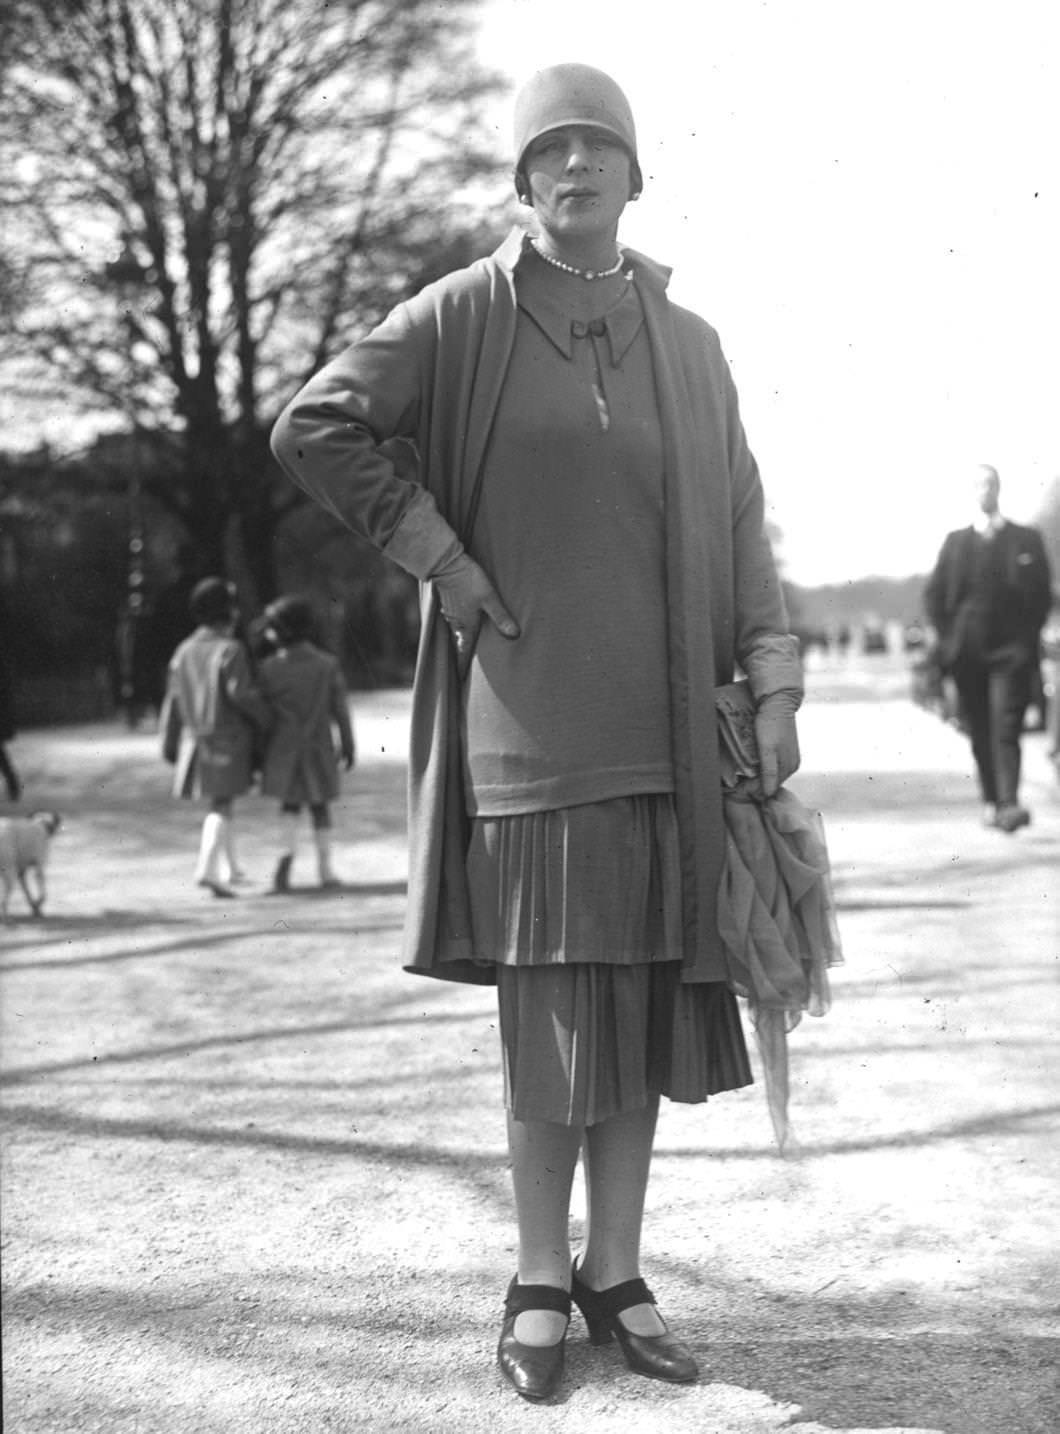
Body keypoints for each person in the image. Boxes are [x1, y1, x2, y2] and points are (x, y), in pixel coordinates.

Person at [270, 62, 803, 1402]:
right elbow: (316, 423)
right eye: (550, 150)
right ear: (523, 180)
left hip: (675, 739)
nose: (576, 167)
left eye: (599, 147)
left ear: (635, 173)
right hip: (530, 740)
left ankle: (617, 1270)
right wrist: (437, 555)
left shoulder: (692, 345)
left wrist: (776, 677)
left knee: (642, 1015)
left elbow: (742, 523)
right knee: (555, 1030)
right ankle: (537, 1278)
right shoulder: (460, 315)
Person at [924, 464, 1052, 832]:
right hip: (968, 656)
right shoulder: (956, 542)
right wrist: (949, 643)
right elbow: (934, 598)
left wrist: (1027, 642)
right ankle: (992, 801)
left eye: (991, 483)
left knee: (1007, 726)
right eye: (979, 484)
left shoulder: (1025, 540)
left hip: (1011, 655)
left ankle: (1010, 803)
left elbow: (1042, 597)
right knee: (980, 729)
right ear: (971, 492)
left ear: (999, 489)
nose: (986, 490)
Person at [161, 577, 271, 896]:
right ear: (229, 611)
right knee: (222, 803)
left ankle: (229, 867)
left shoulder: (183, 650)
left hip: (197, 739)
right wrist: (267, 716)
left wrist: (169, 742)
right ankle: (207, 869)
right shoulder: (230, 649)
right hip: (229, 738)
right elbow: (241, 694)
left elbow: (173, 700)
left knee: (221, 801)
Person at [257, 594, 355, 892]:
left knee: (289, 806)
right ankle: (325, 869)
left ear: (279, 631)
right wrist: (348, 744)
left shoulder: (268, 668)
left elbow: (263, 714)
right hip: (318, 747)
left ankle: (285, 859)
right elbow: (340, 710)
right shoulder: (326, 664)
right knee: (320, 807)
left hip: (283, 749)